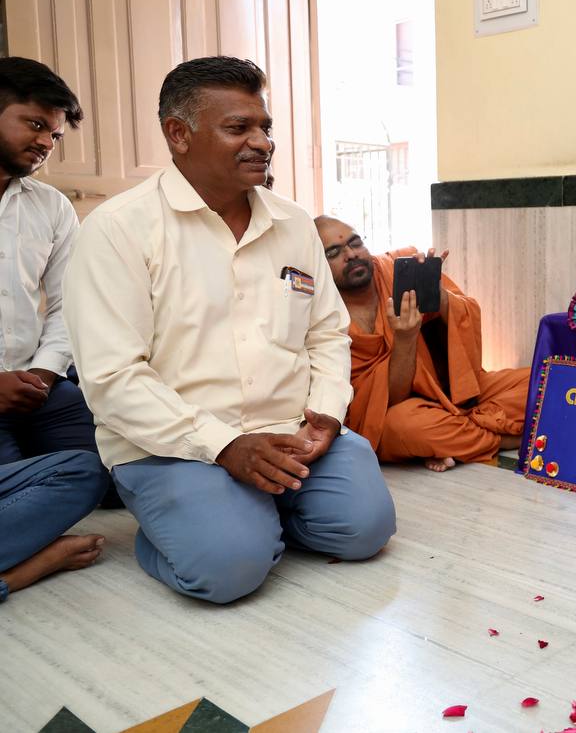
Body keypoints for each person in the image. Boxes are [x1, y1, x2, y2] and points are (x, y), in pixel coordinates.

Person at [64, 57, 395, 604]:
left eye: (265, 127)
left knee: (364, 531)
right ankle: (185, 534)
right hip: (173, 446)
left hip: (292, 430)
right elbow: (112, 378)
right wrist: (223, 446)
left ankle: (253, 517)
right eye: (239, 128)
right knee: (226, 573)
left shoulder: (293, 222)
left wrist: (327, 412)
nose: (262, 142)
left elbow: (326, 333)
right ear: (179, 134)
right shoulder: (118, 229)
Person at [0, 57, 110, 601]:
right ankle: (20, 570)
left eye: (56, 134)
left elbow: (71, 305)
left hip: (37, 386)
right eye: (35, 124)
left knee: (111, 467)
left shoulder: (51, 207)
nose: (47, 142)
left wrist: (44, 374)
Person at [315, 216, 528, 472]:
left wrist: (440, 296)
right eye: (334, 252)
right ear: (316, 263)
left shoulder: (395, 269)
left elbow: (467, 318)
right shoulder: (321, 314)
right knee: (406, 426)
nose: (351, 254)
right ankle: (505, 439)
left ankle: (454, 438)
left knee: (541, 381)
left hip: (446, 391)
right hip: (395, 411)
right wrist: (405, 338)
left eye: (356, 243)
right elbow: (387, 401)